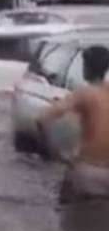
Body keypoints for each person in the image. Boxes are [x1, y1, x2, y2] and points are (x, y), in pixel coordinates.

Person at [37, 46, 109, 202]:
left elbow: (42, 119)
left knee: (69, 221)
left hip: (87, 172)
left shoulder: (84, 94)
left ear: (85, 67)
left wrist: (57, 152)